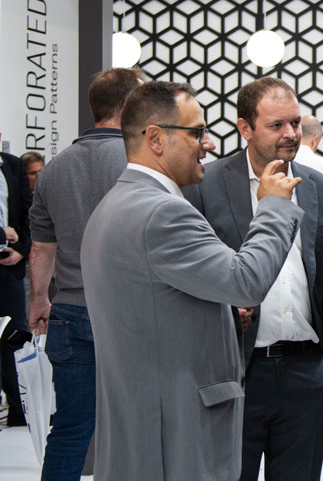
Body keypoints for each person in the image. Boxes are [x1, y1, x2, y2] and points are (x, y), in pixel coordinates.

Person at [80, 81, 303, 481]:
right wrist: (272, 206)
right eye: (197, 132)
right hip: (175, 438)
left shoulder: (116, 204)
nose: (209, 144)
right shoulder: (162, 212)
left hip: (145, 431)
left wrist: (226, 317)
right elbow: (246, 281)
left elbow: (153, 310)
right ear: (155, 138)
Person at [184, 77, 323, 481]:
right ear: (245, 128)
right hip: (237, 369)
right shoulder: (206, 185)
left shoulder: (321, 188)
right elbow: (194, 277)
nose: (291, 133)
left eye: (295, 122)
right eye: (276, 125)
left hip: (307, 373)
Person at [28, 67, 142, 479]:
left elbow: (42, 247)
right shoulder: (139, 162)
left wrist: (39, 299)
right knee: (135, 428)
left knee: (71, 428)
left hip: (69, 311)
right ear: (129, 106)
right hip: (129, 313)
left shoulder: (54, 168)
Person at [0, 150, 31, 428]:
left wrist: (21, 249)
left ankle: (19, 409)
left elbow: (28, 214)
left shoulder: (12, 165)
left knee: (15, 336)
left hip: (10, 267)